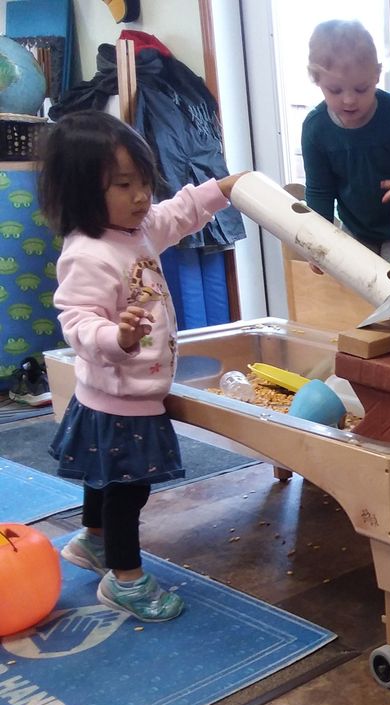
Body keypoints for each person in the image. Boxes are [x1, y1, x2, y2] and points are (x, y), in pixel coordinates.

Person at [38, 110, 243, 622]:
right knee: (129, 490)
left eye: (145, 182)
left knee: (103, 477)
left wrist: (225, 187)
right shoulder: (89, 252)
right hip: (119, 395)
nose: (141, 196)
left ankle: (93, 541)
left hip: (120, 392)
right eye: (124, 184)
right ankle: (125, 580)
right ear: (84, 190)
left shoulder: (139, 228)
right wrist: (118, 337)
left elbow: (179, 212)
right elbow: (77, 320)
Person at [302, 19, 390, 265]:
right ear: (317, 80)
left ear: (377, 75)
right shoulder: (316, 129)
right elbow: (319, 191)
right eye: (335, 90)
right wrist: (318, 242)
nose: (349, 100)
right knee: (355, 286)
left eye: (361, 89)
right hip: (358, 227)